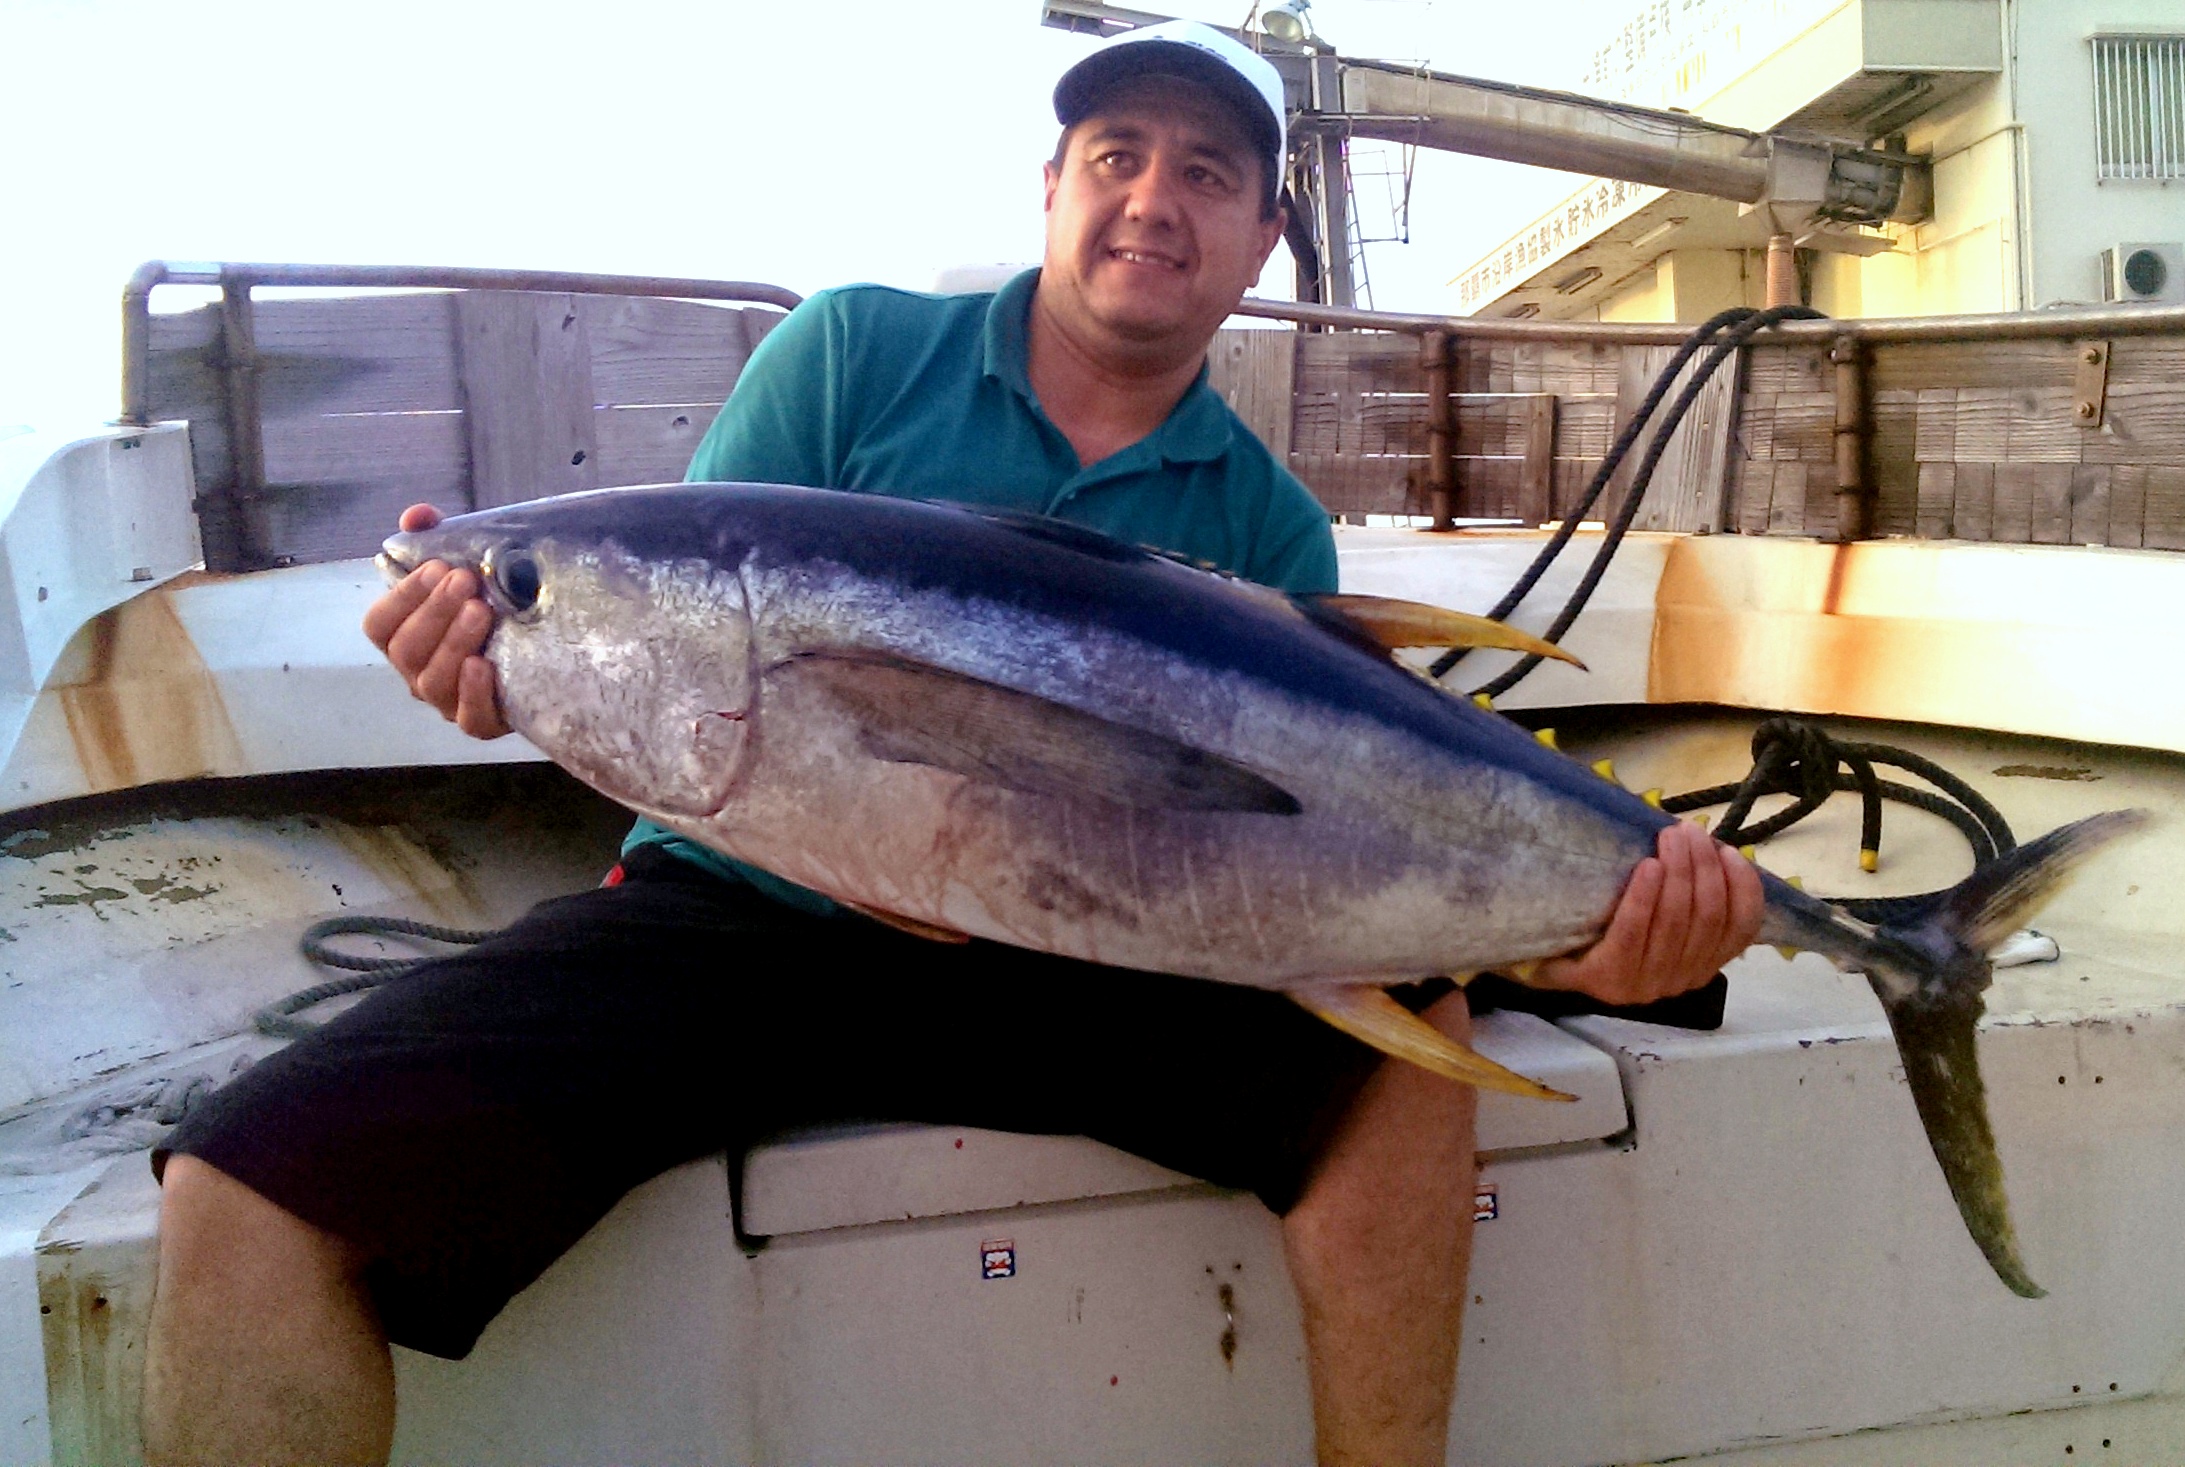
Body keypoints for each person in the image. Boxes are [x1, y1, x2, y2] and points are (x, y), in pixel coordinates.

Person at [142, 21, 1765, 1467]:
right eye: (1115, 155)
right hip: (743, 918)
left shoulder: (1262, 521)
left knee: (1404, 1088)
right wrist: (500, 660)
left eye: (1206, 171)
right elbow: (675, 647)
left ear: (1262, 236)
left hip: (1080, 953)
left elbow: (1281, 853)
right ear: (1049, 184)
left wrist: (1586, 941)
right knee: (244, 1194)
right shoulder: (850, 353)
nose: (1151, 196)